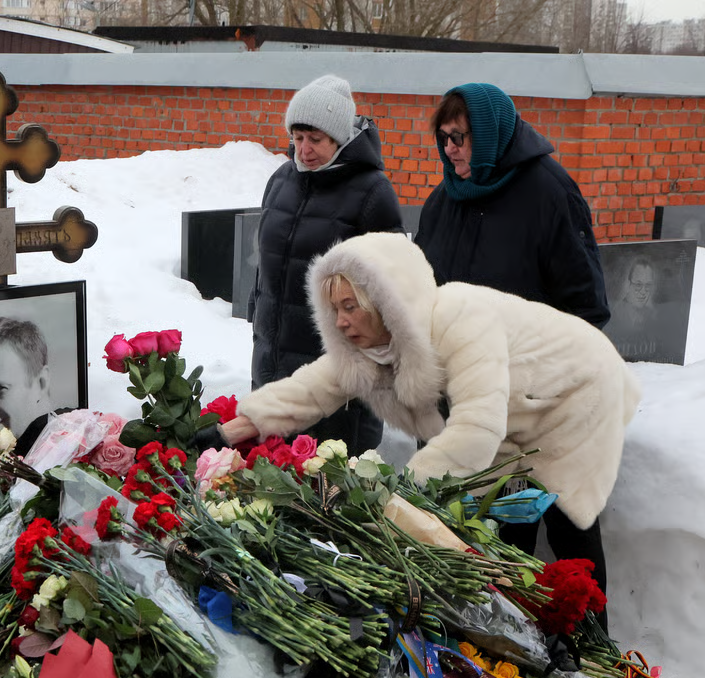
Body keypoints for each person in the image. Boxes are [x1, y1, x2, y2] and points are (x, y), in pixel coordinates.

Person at [223, 233, 640, 600]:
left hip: (576, 389)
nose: (341, 322)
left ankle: (591, 650)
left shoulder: (461, 317)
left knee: (567, 520)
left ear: (384, 302)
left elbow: (478, 428)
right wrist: (237, 427)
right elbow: (312, 388)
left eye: (350, 306)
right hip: (514, 409)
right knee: (505, 519)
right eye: (334, 309)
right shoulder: (376, 346)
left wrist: (398, 495)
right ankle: (526, 640)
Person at [250, 74, 403, 457]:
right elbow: (265, 267)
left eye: (315, 139)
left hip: (337, 385)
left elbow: (394, 293)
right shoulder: (281, 180)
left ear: (339, 138)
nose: (304, 149)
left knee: (325, 496)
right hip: (272, 364)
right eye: (297, 137)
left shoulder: (371, 193)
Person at [413, 83, 610, 329]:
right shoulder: (443, 198)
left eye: (457, 137)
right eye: (443, 138)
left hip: (521, 363)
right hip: (453, 360)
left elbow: (587, 310)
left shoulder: (552, 195)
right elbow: (420, 285)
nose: (449, 148)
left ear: (486, 134)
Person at [602, 257, 659, 360]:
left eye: (648, 285)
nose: (643, 291)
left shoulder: (652, 316)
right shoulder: (614, 313)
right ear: (628, 285)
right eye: (638, 284)